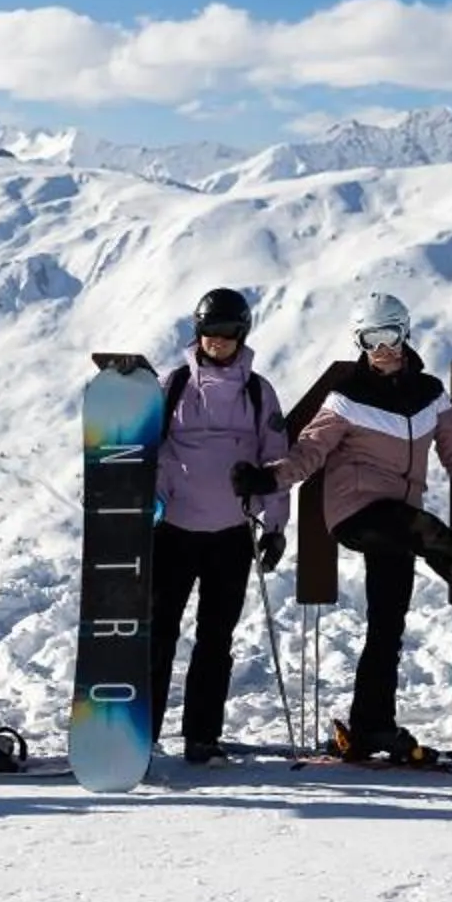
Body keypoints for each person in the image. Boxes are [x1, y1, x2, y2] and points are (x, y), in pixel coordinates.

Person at [232, 290, 452, 767]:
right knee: (432, 534)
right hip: (357, 511)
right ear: (359, 343)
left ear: (405, 334)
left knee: (388, 625)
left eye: (390, 335)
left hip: (398, 519)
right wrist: (269, 477)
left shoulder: (429, 395)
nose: (382, 348)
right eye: (370, 339)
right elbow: (310, 450)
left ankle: (370, 723)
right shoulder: (347, 399)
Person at [150, 286, 291, 764]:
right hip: (174, 530)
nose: (218, 340)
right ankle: (140, 734)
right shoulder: (172, 386)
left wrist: (275, 526)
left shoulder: (258, 392)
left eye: (228, 331)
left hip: (232, 533)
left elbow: (275, 461)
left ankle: (201, 736)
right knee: (159, 631)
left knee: (216, 638)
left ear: (242, 333)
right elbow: (151, 451)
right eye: (209, 330)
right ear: (198, 331)